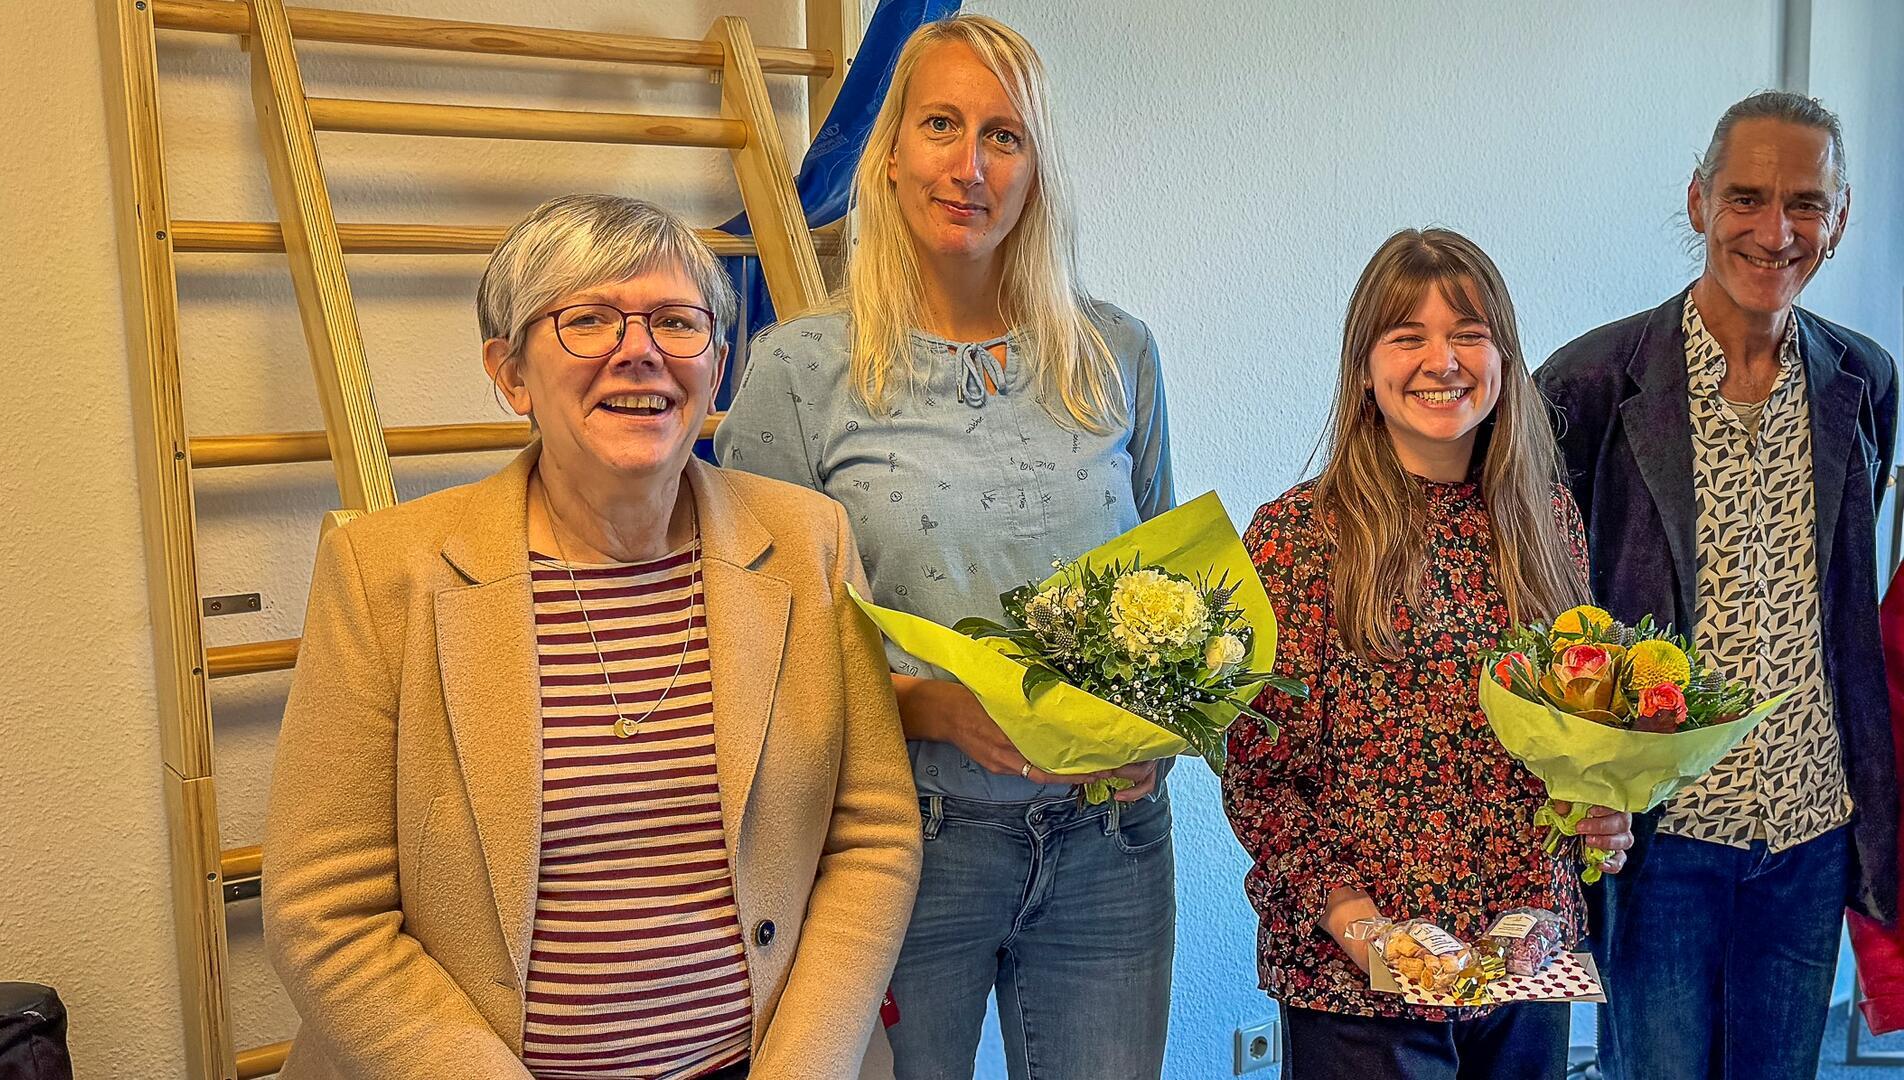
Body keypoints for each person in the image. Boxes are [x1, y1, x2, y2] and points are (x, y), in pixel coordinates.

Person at [261, 194, 922, 1080]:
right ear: (510, 374)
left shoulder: (811, 544)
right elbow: (324, 910)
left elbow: (873, 835)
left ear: (717, 366)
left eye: (676, 321)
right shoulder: (385, 575)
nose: (638, 349)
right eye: (587, 320)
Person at [714, 14, 1175, 1079]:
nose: (970, 165)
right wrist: (923, 703)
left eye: (1005, 135)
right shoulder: (800, 373)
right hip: (902, 848)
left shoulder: (1119, 354)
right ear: (889, 154)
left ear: (1039, 168)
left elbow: (1161, 586)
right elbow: (753, 649)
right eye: (941, 125)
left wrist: (1163, 719)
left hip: (1110, 847)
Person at [1538, 90, 1899, 1080]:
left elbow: (1843, 601)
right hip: (1663, 841)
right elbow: (1539, 602)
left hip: (1810, 831)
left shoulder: (1863, 381)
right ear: (1698, 202)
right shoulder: (1591, 385)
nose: (1774, 231)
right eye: (1745, 197)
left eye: (1805, 204)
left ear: (1841, 214)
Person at [1225, 228, 1633, 1080]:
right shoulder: (1301, 535)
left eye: (1468, 334)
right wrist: (1362, 927)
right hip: (1363, 983)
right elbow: (1261, 777)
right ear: (1365, 366)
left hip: (1523, 960)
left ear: (1504, 356)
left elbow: (1573, 739)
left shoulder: (1547, 522)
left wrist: (1602, 811)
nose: (1440, 361)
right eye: (1407, 336)